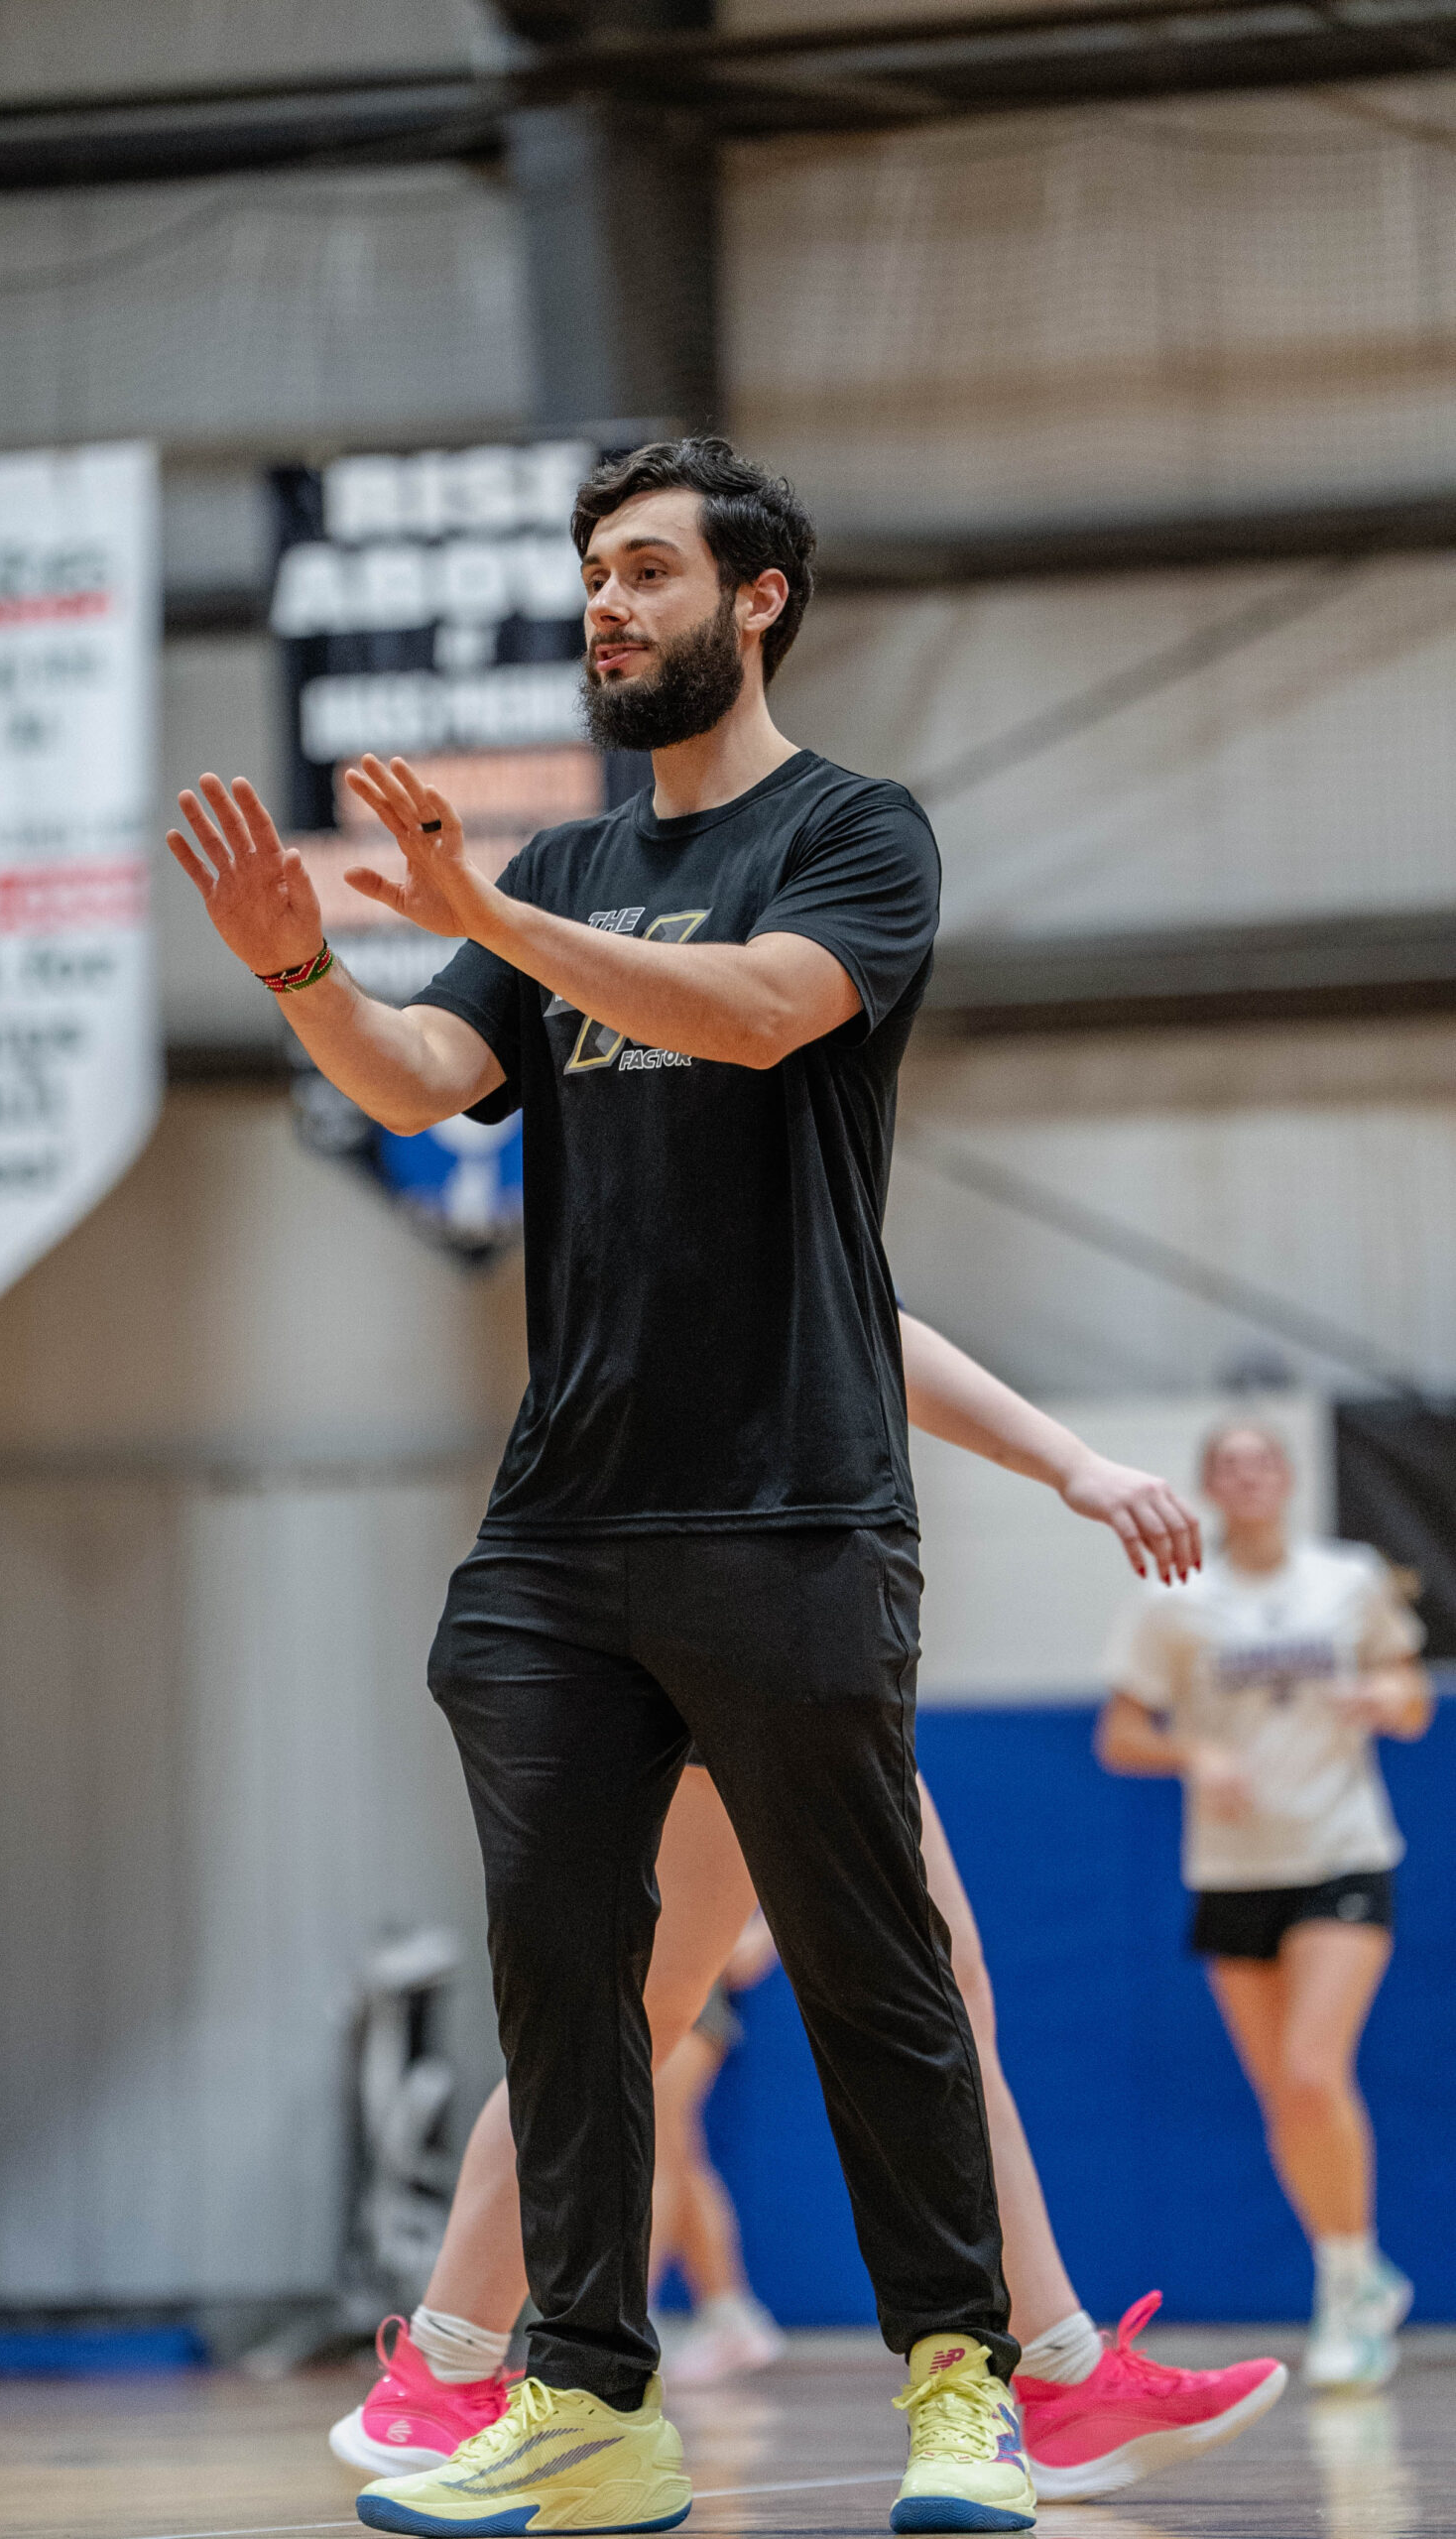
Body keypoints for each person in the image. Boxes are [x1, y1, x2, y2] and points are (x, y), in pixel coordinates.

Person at [172, 433, 1098, 2537]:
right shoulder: (571, 866)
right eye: (594, 572)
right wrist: (301, 971)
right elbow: (429, 1076)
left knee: (873, 1973)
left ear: (757, 599)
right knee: (562, 1977)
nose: (608, 603)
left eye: (649, 569)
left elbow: (764, 1017)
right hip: (563, 1525)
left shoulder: (854, 833)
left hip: (793, 1508)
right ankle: (586, 2393)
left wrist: (486, 909)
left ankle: (962, 2387)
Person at [328, 1317, 1284, 2499]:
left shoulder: (768, 1250)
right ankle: (445, 2367)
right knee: (700, 2002)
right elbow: (858, 1317)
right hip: (736, 1598)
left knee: (816, 1993)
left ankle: (1054, 2370)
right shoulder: (700, 1247)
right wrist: (1067, 1462)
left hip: (756, 1598)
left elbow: (859, 1314)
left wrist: (1066, 1461)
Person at [1097, 1421, 1432, 2391]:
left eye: (1263, 1461)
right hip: (1234, 1867)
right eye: (1230, 1464)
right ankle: (1359, 2268)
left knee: (1313, 2070)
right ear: (1210, 1484)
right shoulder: (1175, 1597)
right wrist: (1193, 1752)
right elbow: (1119, 1734)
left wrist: (1387, 1694)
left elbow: (1411, 1694)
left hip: (1342, 1850)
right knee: (1284, 2096)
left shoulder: (1348, 1577)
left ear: (1287, 1478)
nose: (1248, 1477)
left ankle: (1345, 2287)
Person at [650, 1910, 785, 2389]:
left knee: (653, 2155)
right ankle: (730, 2314)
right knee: (676, 2155)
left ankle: (625, 2323)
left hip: (679, 1990)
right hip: (645, 1980)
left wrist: (762, 1934)